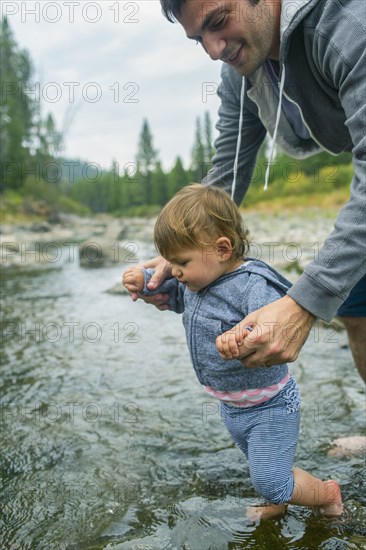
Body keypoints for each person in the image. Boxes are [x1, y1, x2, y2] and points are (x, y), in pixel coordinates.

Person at [127, 0, 366, 381]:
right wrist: (179, 253)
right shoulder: (239, 71)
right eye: (198, 39)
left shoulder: (348, 27)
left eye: (218, 22)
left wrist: (303, 304)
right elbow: (226, 174)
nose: (213, 50)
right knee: (356, 307)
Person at [123, 184, 344, 520]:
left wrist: (240, 336)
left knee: (270, 478)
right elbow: (176, 296)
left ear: (222, 249)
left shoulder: (252, 285)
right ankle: (279, 499)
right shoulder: (198, 279)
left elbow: (271, 327)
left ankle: (326, 494)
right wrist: (145, 279)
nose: (174, 271)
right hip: (234, 406)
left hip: (271, 404)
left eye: (180, 262)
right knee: (262, 464)